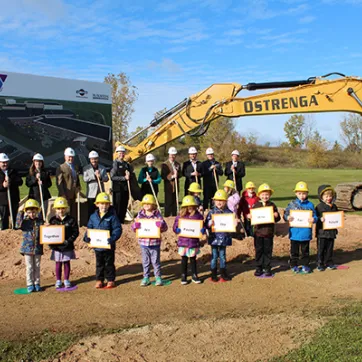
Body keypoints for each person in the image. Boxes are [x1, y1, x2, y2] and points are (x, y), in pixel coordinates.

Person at [84, 192, 122, 288]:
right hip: (98, 247)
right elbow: (89, 228)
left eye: (106, 204)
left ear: (109, 205)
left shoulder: (112, 216)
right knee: (99, 264)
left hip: (109, 246)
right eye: (101, 203)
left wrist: (112, 238)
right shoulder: (93, 217)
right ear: (97, 204)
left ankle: (110, 280)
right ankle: (99, 280)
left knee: (109, 263)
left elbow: (117, 229)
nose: (103, 206)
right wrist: (87, 237)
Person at [132, 194, 168, 286]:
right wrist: (135, 226)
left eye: (149, 203)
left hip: (155, 242)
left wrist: (161, 225)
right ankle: (146, 277)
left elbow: (165, 228)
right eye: (145, 203)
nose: (147, 205)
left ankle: (158, 277)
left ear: (153, 205)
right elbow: (134, 228)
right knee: (145, 261)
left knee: (155, 261)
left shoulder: (157, 215)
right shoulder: (140, 215)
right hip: (143, 243)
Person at [284, 182, 317, 274]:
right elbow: (285, 215)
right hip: (294, 233)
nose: (302, 196)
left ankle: (305, 265)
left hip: (305, 233)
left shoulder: (310, 205)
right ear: (296, 193)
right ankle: (294, 265)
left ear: (307, 193)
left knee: (305, 251)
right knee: (294, 251)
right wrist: (287, 218)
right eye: (299, 193)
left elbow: (315, 216)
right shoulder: (292, 204)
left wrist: (313, 219)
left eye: (304, 193)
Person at [205, 190, 236, 282]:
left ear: (226, 201)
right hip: (214, 238)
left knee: (222, 255)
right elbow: (206, 224)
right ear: (214, 201)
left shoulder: (229, 213)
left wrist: (234, 224)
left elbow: (232, 226)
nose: (219, 202)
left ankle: (223, 272)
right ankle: (213, 273)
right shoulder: (211, 212)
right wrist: (209, 223)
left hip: (224, 238)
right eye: (217, 200)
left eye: (221, 200)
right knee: (214, 256)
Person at [173, 195, 205, 285]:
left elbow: (203, 224)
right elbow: (175, 226)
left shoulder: (198, 216)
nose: (190, 209)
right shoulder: (180, 216)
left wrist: (202, 229)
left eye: (191, 207)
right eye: (188, 207)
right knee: (184, 260)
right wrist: (177, 230)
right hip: (183, 242)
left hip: (193, 242)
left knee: (193, 259)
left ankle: (194, 275)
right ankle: (184, 275)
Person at [250, 184, 281, 277]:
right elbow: (252, 218)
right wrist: (249, 217)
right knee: (259, 250)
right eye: (263, 194)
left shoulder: (272, 205)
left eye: (267, 194)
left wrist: (276, 215)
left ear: (270, 195)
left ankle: (267, 267)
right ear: (259, 195)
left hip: (268, 232)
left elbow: (277, 218)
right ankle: (258, 267)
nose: (265, 196)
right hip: (258, 233)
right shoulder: (256, 205)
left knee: (267, 251)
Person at [49, 197, 79, 289]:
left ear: (66, 208)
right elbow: (49, 233)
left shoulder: (71, 220)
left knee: (66, 262)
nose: (61, 210)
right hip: (57, 246)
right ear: (55, 209)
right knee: (58, 263)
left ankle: (66, 279)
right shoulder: (53, 220)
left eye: (63, 208)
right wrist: (50, 243)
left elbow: (75, 232)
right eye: (58, 208)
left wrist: (69, 240)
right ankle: (58, 280)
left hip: (67, 245)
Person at [16, 199, 44, 293]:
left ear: (37, 211)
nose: (32, 214)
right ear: (26, 212)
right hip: (27, 248)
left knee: (37, 266)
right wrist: (20, 212)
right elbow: (17, 224)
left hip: (37, 248)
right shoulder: (24, 222)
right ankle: (29, 284)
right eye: (29, 212)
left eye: (33, 212)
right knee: (29, 267)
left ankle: (37, 283)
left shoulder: (40, 221)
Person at [315, 185, 339, 271]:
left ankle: (329, 262)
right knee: (321, 249)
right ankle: (320, 263)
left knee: (329, 248)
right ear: (321, 197)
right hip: (322, 232)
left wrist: (340, 218)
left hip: (331, 232)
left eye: (330, 196)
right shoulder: (319, 207)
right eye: (326, 196)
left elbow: (336, 217)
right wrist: (319, 218)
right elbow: (315, 217)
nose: (328, 198)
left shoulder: (334, 206)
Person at [110, 145, 134, 224]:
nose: (121, 155)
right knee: (117, 206)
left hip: (125, 189)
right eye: (120, 153)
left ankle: (122, 221)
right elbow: (113, 177)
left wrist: (129, 176)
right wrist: (124, 178)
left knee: (124, 205)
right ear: (117, 153)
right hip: (117, 189)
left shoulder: (126, 164)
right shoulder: (114, 164)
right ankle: (116, 222)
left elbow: (130, 174)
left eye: (123, 153)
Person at [56, 147, 81, 220]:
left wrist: (78, 187)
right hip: (65, 195)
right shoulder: (61, 168)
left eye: (72, 157)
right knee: (63, 212)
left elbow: (77, 179)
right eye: (69, 157)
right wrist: (62, 194)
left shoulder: (75, 167)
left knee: (72, 212)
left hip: (73, 194)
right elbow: (59, 182)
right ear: (65, 157)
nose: (71, 159)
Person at [83, 150, 109, 219]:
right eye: (92, 159)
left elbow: (106, 178)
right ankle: (91, 223)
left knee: (100, 209)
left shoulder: (102, 168)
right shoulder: (86, 168)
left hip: (100, 192)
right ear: (90, 160)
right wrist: (94, 176)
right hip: (91, 193)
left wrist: (100, 177)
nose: (94, 161)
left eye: (95, 159)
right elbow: (85, 179)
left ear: (97, 159)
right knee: (91, 210)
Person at [0, 153, 23, 230]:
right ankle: (4, 232)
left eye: (6, 162)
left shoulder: (13, 171)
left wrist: (11, 181)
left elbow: (20, 182)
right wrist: (2, 185)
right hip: (2, 201)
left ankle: (13, 230)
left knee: (13, 217)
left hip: (13, 199)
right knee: (4, 218)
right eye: (3, 162)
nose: (5, 164)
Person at [26, 153, 52, 218]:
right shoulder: (30, 172)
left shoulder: (45, 172)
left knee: (43, 214)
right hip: (34, 196)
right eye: (36, 161)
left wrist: (43, 183)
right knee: (35, 214)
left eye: (40, 161)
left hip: (44, 197)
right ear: (34, 162)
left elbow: (49, 184)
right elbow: (28, 183)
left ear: (42, 163)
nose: (38, 163)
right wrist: (35, 179)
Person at [161, 147, 181, 217]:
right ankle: (167, 216)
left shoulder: (177, 164)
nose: (172, 156)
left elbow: (180, 175)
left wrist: (177, 174)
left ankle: (174, 216)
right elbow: (163, 176)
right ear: (169, 155)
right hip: (168, 187)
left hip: (176, 186)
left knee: (175, 202)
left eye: (174, 155)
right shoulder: (164, 164)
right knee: (168, 202)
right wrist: (172, 176)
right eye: (171, 155)